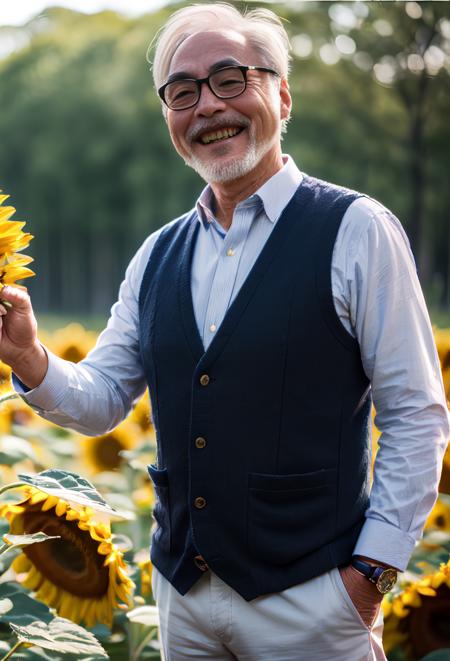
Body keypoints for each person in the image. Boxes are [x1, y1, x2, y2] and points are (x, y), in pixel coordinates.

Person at [0, 3, 448, 660]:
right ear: (169, 120)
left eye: (230, 79)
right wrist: (30, 355)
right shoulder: (156, 253)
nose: (207, 105)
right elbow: (101, 399)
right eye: (183, 92)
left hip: (313, 601)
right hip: (183, 600)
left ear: (282, 94)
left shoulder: (357, 231)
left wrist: (370, 578)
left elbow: (416, 415)